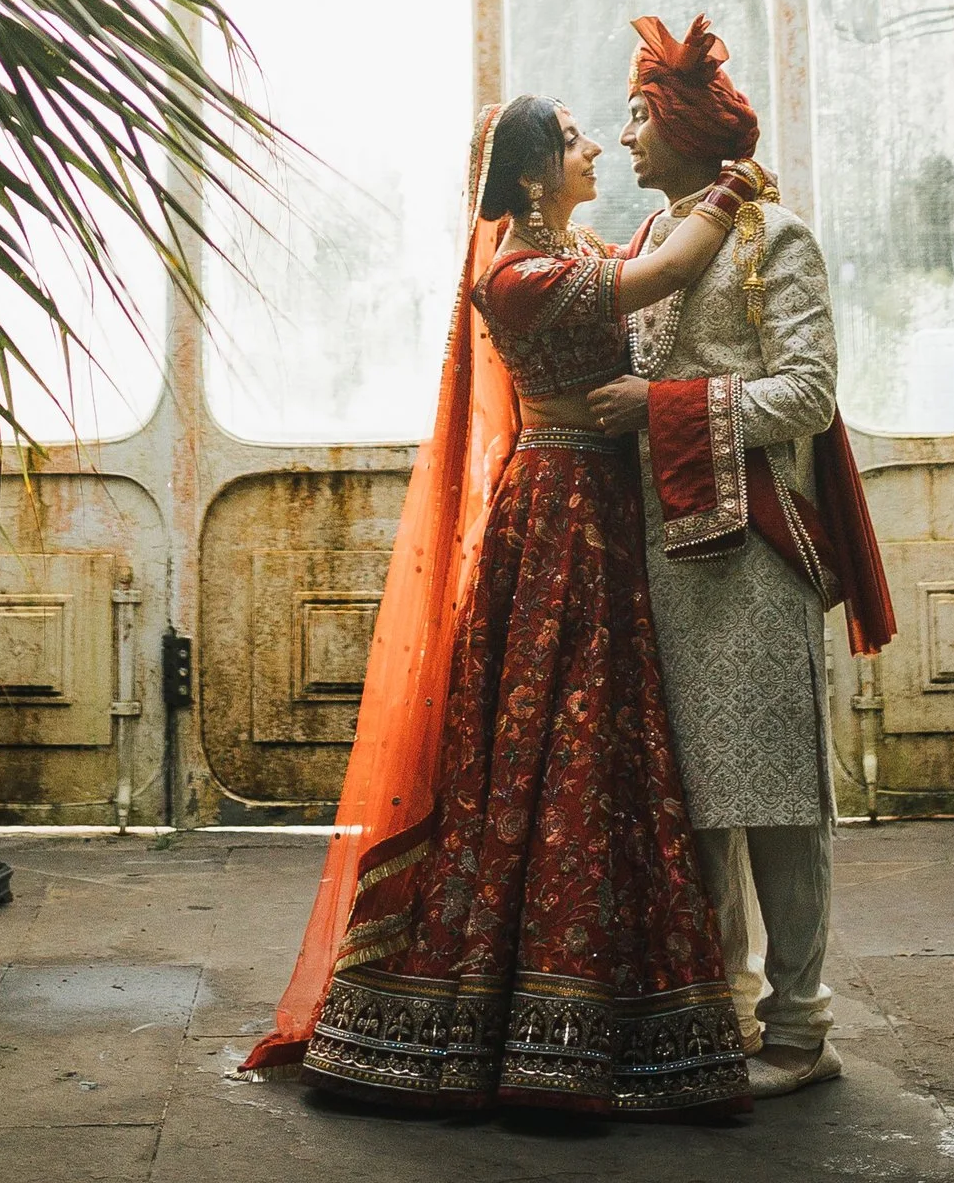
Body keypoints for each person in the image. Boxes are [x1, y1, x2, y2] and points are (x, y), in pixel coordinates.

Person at [244, 96, 754, 1115]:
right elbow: (659, 275)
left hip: (605, 510)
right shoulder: (514, 278)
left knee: (607, 744)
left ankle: (605, 1016)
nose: (595, 147)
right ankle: (522, 1026)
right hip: (560, 514)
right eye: (571, 142)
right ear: (529, 177)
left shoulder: (570, 250)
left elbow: (647, 273)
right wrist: (735, 186)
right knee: (550, 745)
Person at [588, 13, 897, 1101]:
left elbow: (808, 396)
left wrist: (658, 407)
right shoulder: (643, 248)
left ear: (679, 128)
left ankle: (799, 1031)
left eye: (637, 117)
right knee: (695, 800)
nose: (623, 138)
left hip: (758, 559)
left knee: (774, 799)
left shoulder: (778, 240)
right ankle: (710, 1011)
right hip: (661, 562)